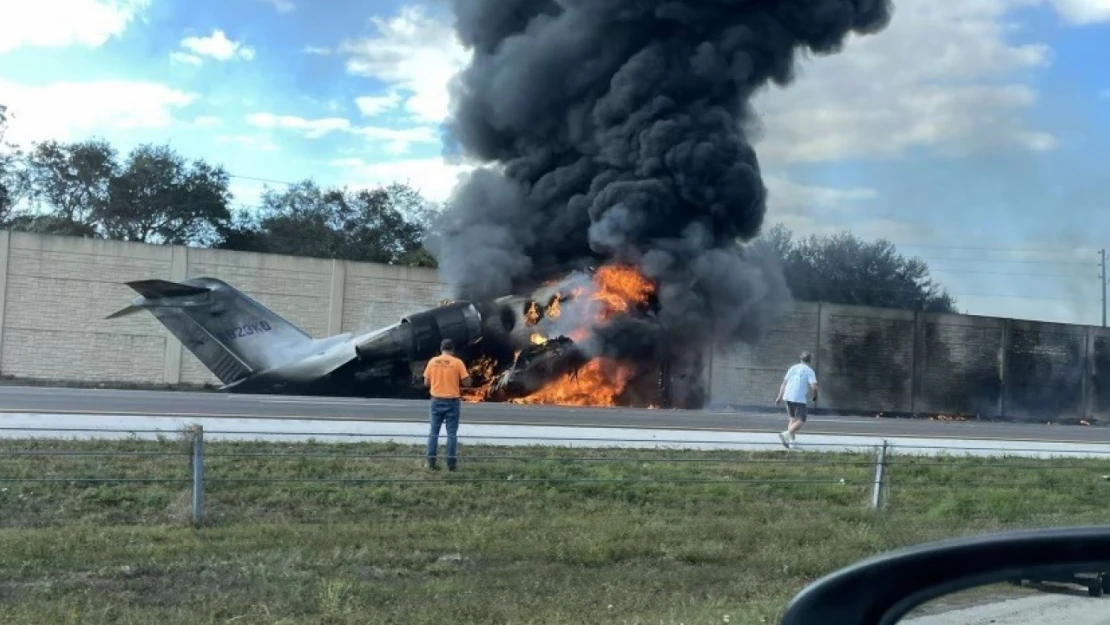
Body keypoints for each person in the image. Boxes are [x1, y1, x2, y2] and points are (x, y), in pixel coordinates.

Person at [422, 338, 472, 471]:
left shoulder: (432, 362)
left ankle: (431, 462)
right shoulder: (457, 363)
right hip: (452, 402)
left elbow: (426, 383)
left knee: (433, 432)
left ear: (441, 349)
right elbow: (467, 383)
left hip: (436, 400)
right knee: (451, 434)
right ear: (453, 350)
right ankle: (451, 464)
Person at [774, 351, 819, 449]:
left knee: (792, 419)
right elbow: (814, 387)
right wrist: (815, 396)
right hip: (798, 398)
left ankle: (791, 443)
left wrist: (779, 396)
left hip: (788, 396)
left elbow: (784, 383)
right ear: (810, 360)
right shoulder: (809, 371)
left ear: (800, 358)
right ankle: (785, 434)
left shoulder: (792, 368)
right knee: (802, 419)